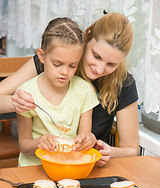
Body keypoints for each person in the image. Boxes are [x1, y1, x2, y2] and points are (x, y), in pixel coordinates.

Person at [0, 12, 139, 167]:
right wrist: (15, 102)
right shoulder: (53, 59)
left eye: (111, 64)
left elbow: (131, 149)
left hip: (86, 166)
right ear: (87, 37)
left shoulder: (123, 83)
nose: (99, 70)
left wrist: (107, 152)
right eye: (96, 56)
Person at [16, 17, 99, 166]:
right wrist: (39, 142)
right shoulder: (26, 93)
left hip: (68, 168)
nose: (65, 72)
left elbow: (84, 137)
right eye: (57, 64)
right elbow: (24, 145)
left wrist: (89, 139)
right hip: (32, 169)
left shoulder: (85, 91)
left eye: (73, 66)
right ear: (41, 56)